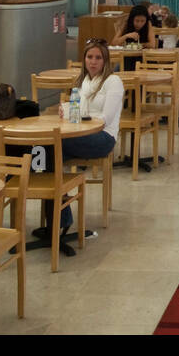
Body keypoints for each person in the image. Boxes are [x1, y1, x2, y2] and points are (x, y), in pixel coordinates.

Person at [52, 38, 123, 237]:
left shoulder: (113, 82)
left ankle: (60, 218)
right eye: (90, 57)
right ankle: (58, 216)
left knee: (52, 147)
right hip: (80, 133)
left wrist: (81, 117)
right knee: (48, 154)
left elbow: (105, 118)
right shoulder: (83, 82)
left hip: (102, 137)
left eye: (98, 58)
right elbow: (80, 111)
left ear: (105, 61)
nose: (93, 61)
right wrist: (66, 109)